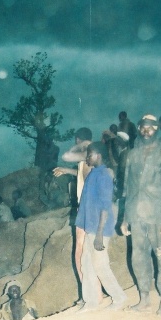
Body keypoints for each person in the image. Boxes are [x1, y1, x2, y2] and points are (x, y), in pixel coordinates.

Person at [121, 115, 161, 314]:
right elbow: (127, 189)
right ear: (138, 128)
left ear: (157, 130)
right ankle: (144, 298)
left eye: (151, 128)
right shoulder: (132, 155)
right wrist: (125, 218)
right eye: (143, 128)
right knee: (138, 257)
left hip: (157, 213)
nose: (147, 132)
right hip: (136, 214)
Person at [76, 143, 126, 311]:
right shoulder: (93, 174)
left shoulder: (103, 175)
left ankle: (119, 297)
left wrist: (99, 234)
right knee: (86, 264)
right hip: (90, 227)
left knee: (100, 265)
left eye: (89, 154)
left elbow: (106, 206)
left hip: (99, 229)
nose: (87, 157)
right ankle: (90, 302)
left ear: (98, 155)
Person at [53, 128, 93, 299]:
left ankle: (88, 295)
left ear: (78, 140)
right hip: (87, 208)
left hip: (87, 208)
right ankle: (90, 294)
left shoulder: (87, 154)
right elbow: (83, 174)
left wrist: (83, 144)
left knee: (81, 254)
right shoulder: (90, 159)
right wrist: (66, 170)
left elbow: (67, 155)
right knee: (84, 253)